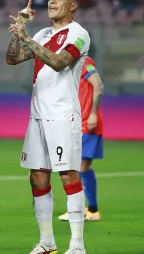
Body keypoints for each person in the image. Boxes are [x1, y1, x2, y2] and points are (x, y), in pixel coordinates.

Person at [6, 0, 90, 254]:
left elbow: (58, 62)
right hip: (38, 116)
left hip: (62, 115)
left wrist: (26, 37)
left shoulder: (79, 34)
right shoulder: (42, 33)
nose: (52, 1)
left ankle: (77, 245)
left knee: (67, 174)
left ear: (73, 5)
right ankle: (47, 241)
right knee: (37, 177)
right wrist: (20, 30)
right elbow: (13, 58)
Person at [58, 55, 104, 222]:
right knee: (80, 167)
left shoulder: (85, 62)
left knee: (78, 166)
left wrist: (92, 114)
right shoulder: (69, 66)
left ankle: (85, 209)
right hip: (75, 122)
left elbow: (98, 85)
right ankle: (89, 209)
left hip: (87, 123)